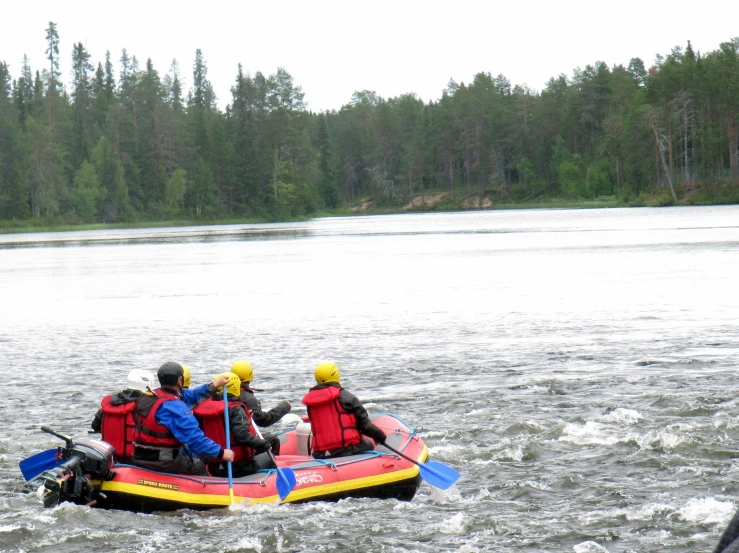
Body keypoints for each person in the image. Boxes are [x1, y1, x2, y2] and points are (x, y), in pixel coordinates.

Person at [132, 361, 234, 475]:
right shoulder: (176, 408)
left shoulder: (149, 396)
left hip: (138, 456)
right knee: (198, 465)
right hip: (163, 463)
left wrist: (214, 385)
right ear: (179, 380)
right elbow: (195, 439)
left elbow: (189, 395)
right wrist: (221, 453)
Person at [194, 372, 275, 477]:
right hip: (239, 467)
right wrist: (264, 444)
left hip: (215, 466)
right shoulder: (235, 409)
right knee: (270, 457)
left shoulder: (204, 408)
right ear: (236, 387)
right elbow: (242, 435)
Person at [301, 362, 386, 459]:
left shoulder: (311, 403)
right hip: (348, 449)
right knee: (369, 445)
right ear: (336, 375)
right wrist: (379, 436)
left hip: (322, 453)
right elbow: (364, 425)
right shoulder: (347, 397)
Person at [90, 369, 155, 462]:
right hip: (135, 460)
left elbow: (95, 426)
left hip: (110, 458)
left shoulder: (110, 404)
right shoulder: (144, 407)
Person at [230, 360, 291, 454]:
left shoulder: (224, 395)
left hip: (228, 441)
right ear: (250, 376)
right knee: (273, 440)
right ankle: (271, 466)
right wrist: (285, 407)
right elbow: (263, 420)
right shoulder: (247, 398)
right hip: (242, 442)